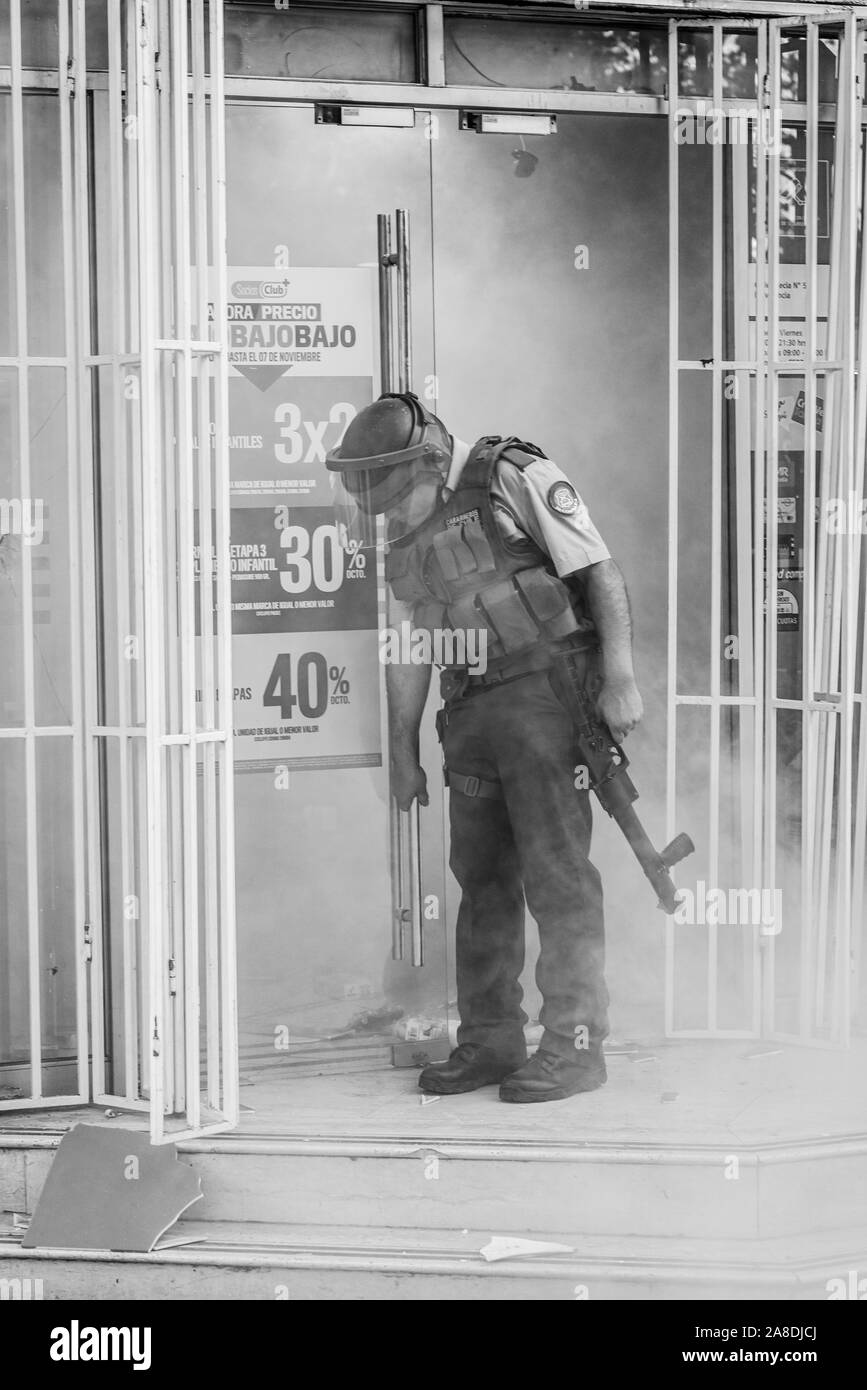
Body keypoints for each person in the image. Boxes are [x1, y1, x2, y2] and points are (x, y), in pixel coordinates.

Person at [326, 392, 643, 1103]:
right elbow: (412, 638)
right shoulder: (406, 520)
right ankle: (490, 1042)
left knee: (557, 878)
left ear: (432, 463)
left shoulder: (514, 475)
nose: (394, 520)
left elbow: (598, 572)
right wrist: (402, 750)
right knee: (481, 882)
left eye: (400, 502)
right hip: (468, 710)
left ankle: (574, 1047)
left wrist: (618, 679)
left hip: (544, 702)